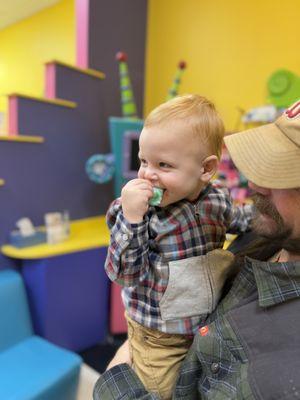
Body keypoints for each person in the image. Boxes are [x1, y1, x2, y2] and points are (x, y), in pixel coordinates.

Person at [94, 100, 300, 399]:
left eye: (164, 165)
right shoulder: (139, 213)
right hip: (159, 335)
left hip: (190, 325)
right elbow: (123, 273)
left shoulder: (215, 200)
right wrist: (132, 220)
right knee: (162, 386)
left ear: (206, 169)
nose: (147, 175)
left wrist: (114, 379)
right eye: (143, 161)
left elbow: (236, 218)